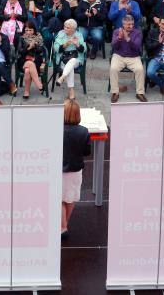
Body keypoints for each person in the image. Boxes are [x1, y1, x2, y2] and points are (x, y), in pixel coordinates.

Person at [61, 99, 90, 239]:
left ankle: (62, 226)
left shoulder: (57, 129)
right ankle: (64, 224)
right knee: (70, 199)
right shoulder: (84, 132)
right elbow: (86, 152)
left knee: (59, 199)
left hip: (60, 170)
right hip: (75, 170)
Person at [109, 14, 145, 103]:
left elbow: (137, 47)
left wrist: (128, 39)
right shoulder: (117, 31)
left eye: (132, 24)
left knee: (140, 69)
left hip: (133, 57)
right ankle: (115, 92)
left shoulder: (138, 33)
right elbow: (113, 45)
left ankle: (140, 92)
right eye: (128, 24)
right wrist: (119, 38)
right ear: (123, 24)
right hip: (119, 56)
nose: (131, 26)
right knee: (113, 68)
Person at [52, 19, 86, 100]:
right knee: (70, 68)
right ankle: (71, 91)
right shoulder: (60, 34)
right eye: (65, 27)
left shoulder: (79, 35)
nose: (65, 29)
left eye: (68, 28)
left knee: (73, 61)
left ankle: (62, 77)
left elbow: (84, 49)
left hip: (76, 58)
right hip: (63, 59)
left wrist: (77, 44)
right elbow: (56, 48)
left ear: (73, 29)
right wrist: (65, 44)